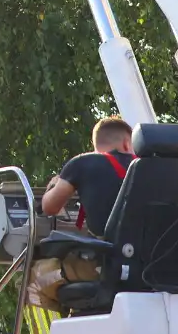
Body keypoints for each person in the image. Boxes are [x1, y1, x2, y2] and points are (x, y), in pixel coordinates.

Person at [28, 116, 137, 313]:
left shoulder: (83, 164)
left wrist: (53, 186)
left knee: (33, 279)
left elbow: (49, 207)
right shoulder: (154, 168)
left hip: (106, 267)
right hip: (153, 268)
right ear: (127, 143)